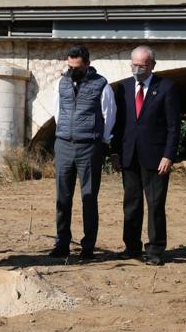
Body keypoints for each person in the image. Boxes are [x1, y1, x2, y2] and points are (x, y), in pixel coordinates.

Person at [111, 45, 181, 266]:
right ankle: (131, 247)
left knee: (155, 205)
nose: (137, 69)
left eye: (142, 65)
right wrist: (114, 152)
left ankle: (155, 250)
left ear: (152, 65)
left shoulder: (167, 88)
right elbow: (117, 124)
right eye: (134, 65)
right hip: (128, 155)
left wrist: (168, 155)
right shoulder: (122, 88)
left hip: (156, 158)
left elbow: (173, 127)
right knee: (131, 204)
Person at [50, 45, 117, 261]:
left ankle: (88, 246)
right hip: (64, 145)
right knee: (63, 197)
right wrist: (64, 134)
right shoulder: (62, 82)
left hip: (89, 146)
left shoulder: (102, 85)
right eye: (70, 66)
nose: (72, 71)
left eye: (76, 67)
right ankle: (62, 243)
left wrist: (102, 140)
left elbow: (109, 115)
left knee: (89, 198)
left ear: (87, 64)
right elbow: (57, 111)